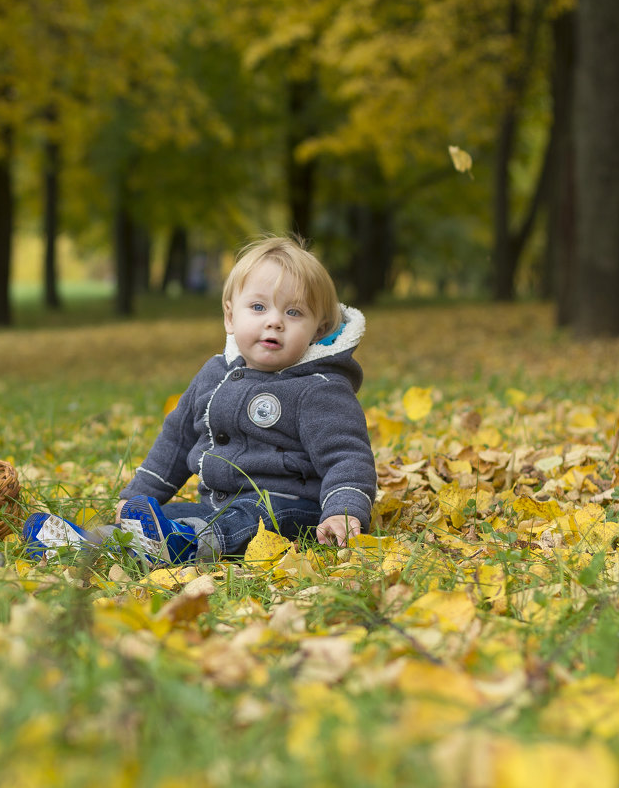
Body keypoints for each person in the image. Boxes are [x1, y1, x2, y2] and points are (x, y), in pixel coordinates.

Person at [23, 235, 377, 566]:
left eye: (293, 313)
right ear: (229, 316)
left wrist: (342, 511)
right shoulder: (215, 373)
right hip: (216, 505)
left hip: (292, 510)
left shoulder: (319, 388)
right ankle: (89, 545)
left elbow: (346, 455)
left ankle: (183, 546)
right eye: (258, 307)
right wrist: (137, 494)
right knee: (170, 514)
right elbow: (176, 439)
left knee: (256, 517)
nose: (274, 322)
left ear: (318, 330)